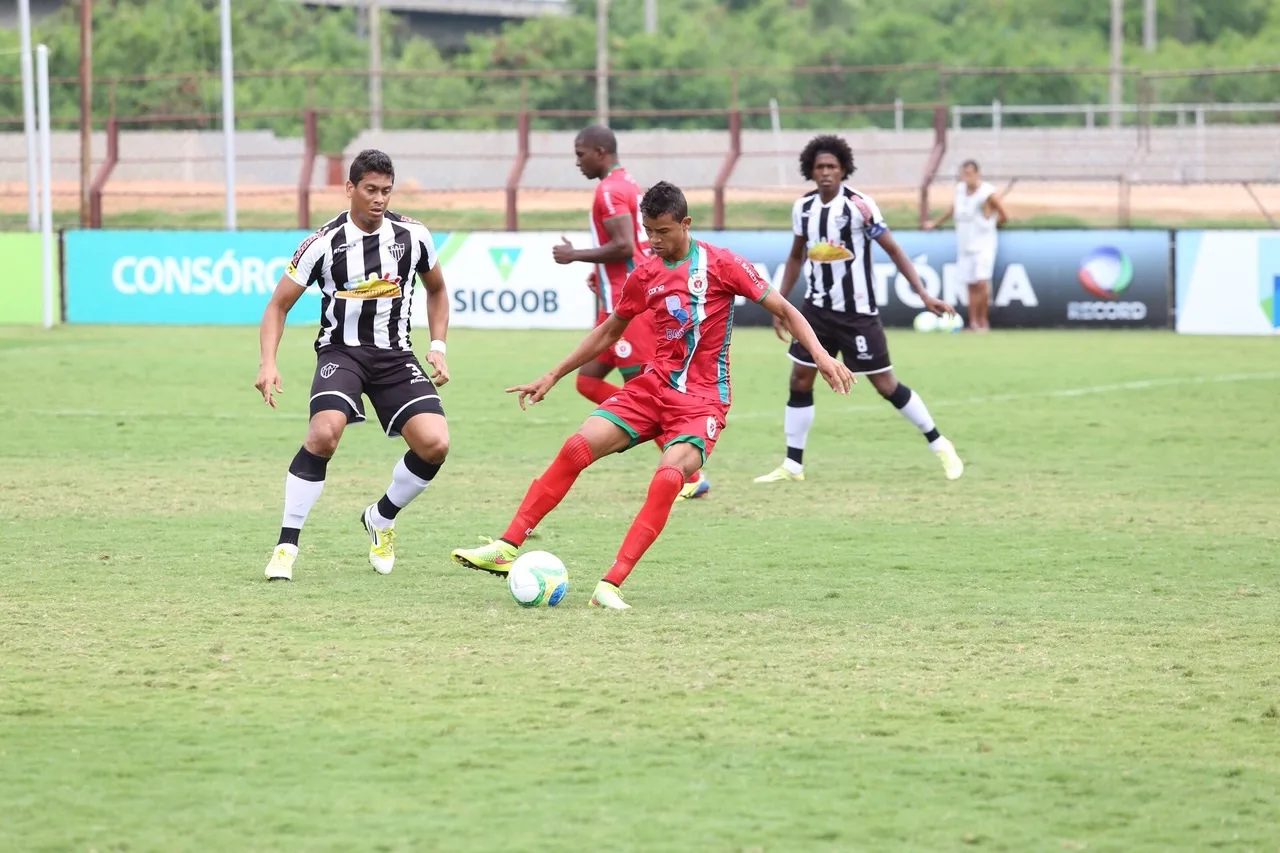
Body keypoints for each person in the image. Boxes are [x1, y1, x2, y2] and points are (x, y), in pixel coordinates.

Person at [451, 181, 854, 610]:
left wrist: (822, 357)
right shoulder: (645, 273)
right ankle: (507, 546)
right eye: (648, 232)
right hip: (652, 388)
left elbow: (786, 309)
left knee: (666, 478)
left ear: (685, 223)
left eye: (662, 231)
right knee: (575, 448)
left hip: (702, 401)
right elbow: (609, 330)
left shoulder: (723, 264)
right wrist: (552, 374)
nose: (654, 241)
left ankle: (610, 584)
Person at [254, 149, 452, 581]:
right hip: (341, 354)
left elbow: (437, 290)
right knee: (324, 433)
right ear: (350, 189)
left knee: (435, 444)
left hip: (396, 356)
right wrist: (267, 362)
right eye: (370, 190)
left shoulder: (413, 236)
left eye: (386, 190)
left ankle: (381, 517)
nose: (379, 199)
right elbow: (277, 306)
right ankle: (286, 547)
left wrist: (437, 344)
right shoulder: (322, 243)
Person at [754, 135, 965, 485]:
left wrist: (924, 296)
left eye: (832, 167)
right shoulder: (803, 208)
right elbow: (795, 257)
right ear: (810, 170)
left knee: (885, 384)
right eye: (819, 167)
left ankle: (941, 443)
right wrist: (780, 303)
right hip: (816, 312)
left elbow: (894, 250)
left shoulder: (860, 206)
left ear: (843, 170)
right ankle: (793, 466)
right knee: (800, 378)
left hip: (857, 314)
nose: (825, 173)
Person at [552, 124, 710, 501]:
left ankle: (689, 474)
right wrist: (600, 272)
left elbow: (624, 245)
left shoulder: (608, 190)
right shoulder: (626, 184)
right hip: (618, 301)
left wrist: (574, 256)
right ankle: (658, 444)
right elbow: (634, 247)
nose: (577, 161)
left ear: (600, 152)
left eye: (581, 153)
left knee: (647, 394)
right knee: (587, 382)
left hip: (632, 310)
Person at [925, 159, 1009, 332]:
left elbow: (1003, 215)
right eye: (963, 174)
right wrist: (935, 223)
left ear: (977, 174)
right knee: (970, 284)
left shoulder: (987, 193)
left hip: (983, 244)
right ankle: (972, 322)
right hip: (964, 244)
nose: (966, 178)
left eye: (969, 174)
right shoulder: (960, 191)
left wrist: (991, 225)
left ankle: (983, 321)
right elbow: (952, 209)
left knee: (981, 282)